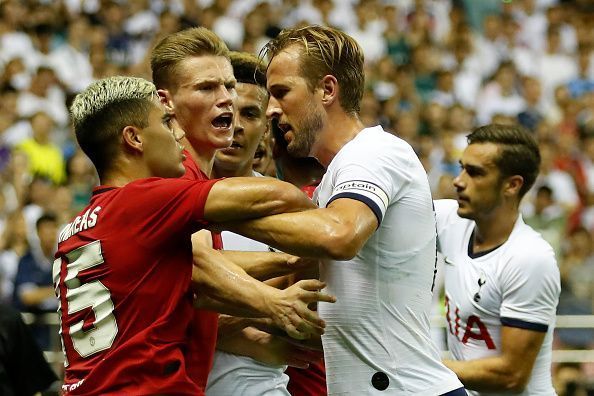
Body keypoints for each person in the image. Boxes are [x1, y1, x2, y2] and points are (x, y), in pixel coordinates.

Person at [55, 76, 335, 395]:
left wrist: (284, 264)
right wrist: (329, 217)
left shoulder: (74, 230)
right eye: (166, 122)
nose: (179, 133)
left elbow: (192, 276)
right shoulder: (143, 201)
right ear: (134, 138)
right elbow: (276, 197)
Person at [224, 25, 464, 395]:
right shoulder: (332, 184)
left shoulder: (374, 153)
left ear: (327, 90)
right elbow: (293, 291)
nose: (272, 109)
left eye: (282, 93)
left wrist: (218, 210)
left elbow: (340, 236)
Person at [150, 27, 322, 391]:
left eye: (249, 111)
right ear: (167, 103)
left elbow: (303, 327)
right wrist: (266, 307)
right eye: (207, 89)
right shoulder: (156, 193)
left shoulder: (283, 202)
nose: (233, 114)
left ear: (267, 126)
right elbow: (172, 317)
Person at [434, 124, 560, 394]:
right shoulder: (450, 219)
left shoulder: (530, 258)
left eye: (475, 173)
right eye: (462, 167)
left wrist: (420, 366)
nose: (459, 180)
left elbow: (511, 375)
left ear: (512, 185)